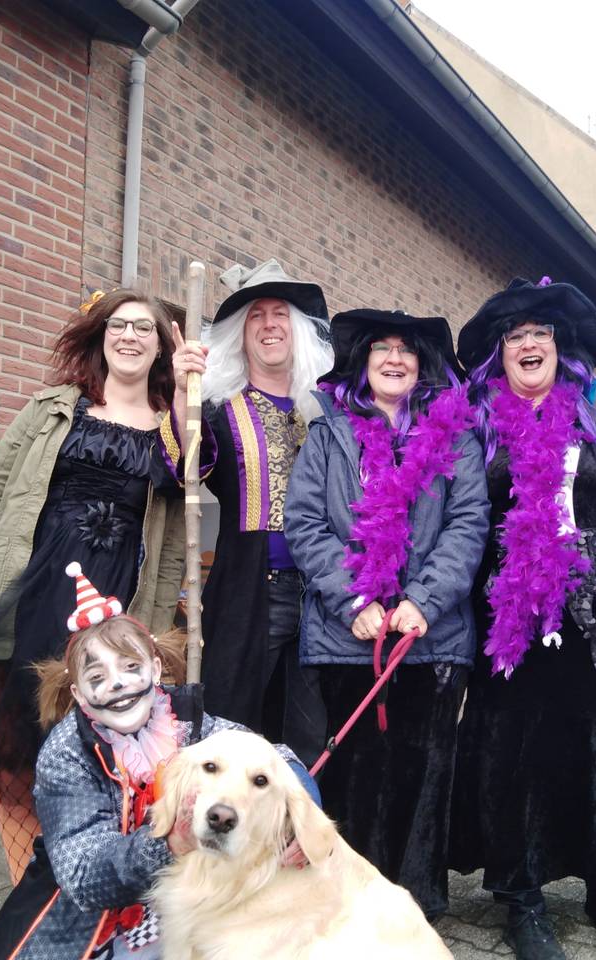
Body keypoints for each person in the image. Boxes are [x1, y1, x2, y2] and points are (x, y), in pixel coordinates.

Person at [0, 288, 201, 884]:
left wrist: (186, 395)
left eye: (145, 329)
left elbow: (188, 492)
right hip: (29, 594)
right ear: (101, 336)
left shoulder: (172, 426)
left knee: (103, 748)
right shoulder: (51, 409)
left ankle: (89, 875)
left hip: (119, 601)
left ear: (161, 348)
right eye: (119, 325)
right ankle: (29, 882)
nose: (130, 336)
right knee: (19, 749)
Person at [447, 277, 596, 960]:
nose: (529, 344)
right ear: (500, 354)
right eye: (516, 336)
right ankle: (521, 896)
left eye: (541, 333)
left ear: (559, 348)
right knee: (513, 749)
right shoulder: (478, 422)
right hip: (509, 611)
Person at [0, 564, 318, 959]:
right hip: (91, 923)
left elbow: (272, 756)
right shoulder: (67, 753)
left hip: (185, 895)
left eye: (130, 667)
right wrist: (168, 842)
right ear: (79, 694)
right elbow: (83, 876)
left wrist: (300, 815)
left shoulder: (186, 721)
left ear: (155, 669)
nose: (117, 683)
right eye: (97, 677)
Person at [285, 308, 489, 919]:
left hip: (432, 638)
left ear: (422, 366)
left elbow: (469, 523)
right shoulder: (328, 435)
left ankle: (415, 909)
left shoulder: (455, 437)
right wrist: (354, 600)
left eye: (407, 350)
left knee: (423, 774)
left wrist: (423, 600)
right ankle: (348, 908)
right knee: (356, 777)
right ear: (364, 361)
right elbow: (305, 523)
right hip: (347, 636)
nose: (395, 359)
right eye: (382, 349)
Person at [162, 259, 333, 768]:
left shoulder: (325, 413)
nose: (269, 324)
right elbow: (184, 469)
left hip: (323, 597)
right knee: (231, 731)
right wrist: (181, 392)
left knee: (309, 739)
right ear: (241, 333)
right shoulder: (218, 407)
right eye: (256, 315)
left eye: (280, 314)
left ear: (298, 331)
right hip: (248, 592)